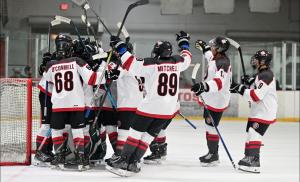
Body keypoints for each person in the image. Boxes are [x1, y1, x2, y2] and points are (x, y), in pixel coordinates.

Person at [106, 31, 192, 176]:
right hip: (168, 111)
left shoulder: (152, 64)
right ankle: (133, 163)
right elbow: (187, 57)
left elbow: (130, 63)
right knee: (147, 138)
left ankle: (124, 161)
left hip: (150, 107)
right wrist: (184, 42)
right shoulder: (178, 62)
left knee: (134, 134)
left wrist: (120, 47)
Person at [44, 34, 115, 171]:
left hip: (58, 104)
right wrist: (104, 71)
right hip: (76, 104)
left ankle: (59, 157)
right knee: (78, 131)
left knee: (57, 131)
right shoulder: (77, 61)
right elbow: (93, 79)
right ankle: (82, 158)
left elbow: (48, 78)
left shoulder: (51, 65)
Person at [230, 50, 277, 173]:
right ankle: (249, 158)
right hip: (259, 111)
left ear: (262, 61)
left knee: (255, 133)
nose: (254, 60)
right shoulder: (261, 75)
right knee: (251, 133)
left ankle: (254, 161)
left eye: (256, 58)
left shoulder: (266, 75)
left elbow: (256, 95)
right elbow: (257, 87)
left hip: (264, 112)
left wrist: (239, 88)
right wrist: (250, 82)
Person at [191, 37, 232, 166]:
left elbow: (218, 83)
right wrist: (205, 49)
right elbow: (210, 57)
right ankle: (212, 153)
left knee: (211, 126)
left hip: (217, 100)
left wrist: (203, 86)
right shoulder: (217, 59)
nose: (212, 48)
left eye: (214, 46)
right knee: (209, 125)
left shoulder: (222, 63)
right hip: (212, 98)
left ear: (219, 49)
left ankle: (214, 155)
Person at [33, 52, 54, 166]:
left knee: (53, 124)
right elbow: (43, 71)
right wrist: (45, 64)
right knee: (47, 124)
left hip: (56, 94)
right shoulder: (56, 57)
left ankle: (47, 150)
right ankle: (40, 152)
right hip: (46, 92)